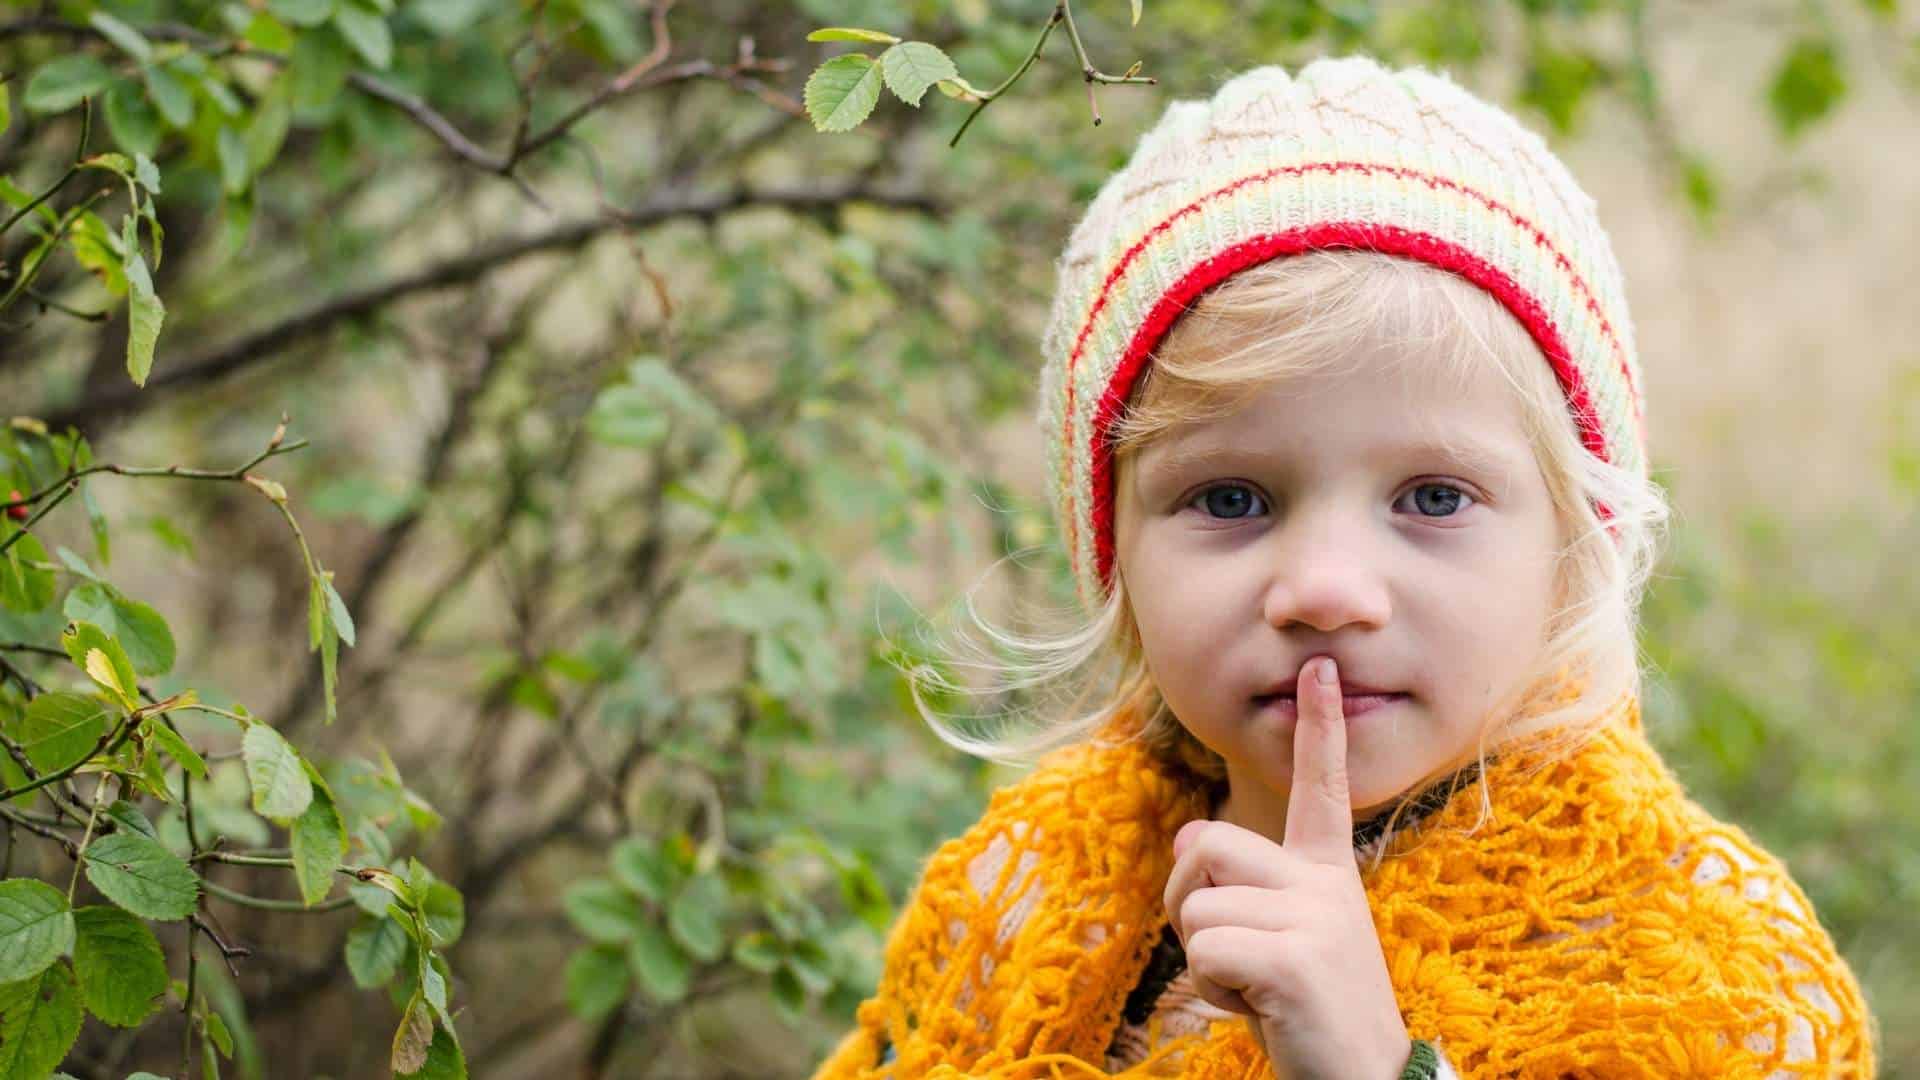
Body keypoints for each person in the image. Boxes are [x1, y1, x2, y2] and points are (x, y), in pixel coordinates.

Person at [808, 54, 1878, 1079]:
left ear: (1573, 548)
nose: (1324, 588)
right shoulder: (1026, 893)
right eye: (1230, 499)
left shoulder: (1697, 974)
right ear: (1114, 558)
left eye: (1434, 498)